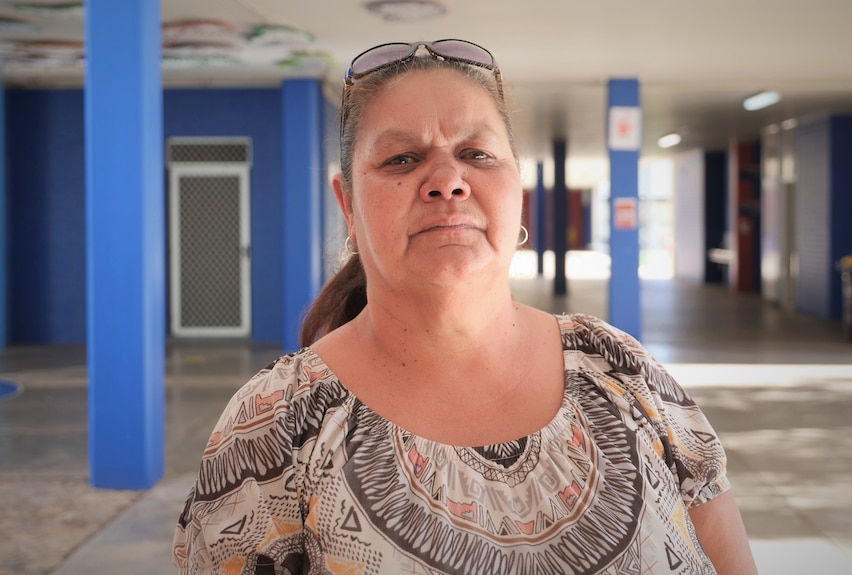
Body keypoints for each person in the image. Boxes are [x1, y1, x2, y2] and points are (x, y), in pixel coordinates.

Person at [172, 39, 758, 575]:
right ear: (347, 204)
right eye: (402, 159)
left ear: (517, 189)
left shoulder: (621, 369)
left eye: (477, 154)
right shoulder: (276, 424)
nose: (448, 180)